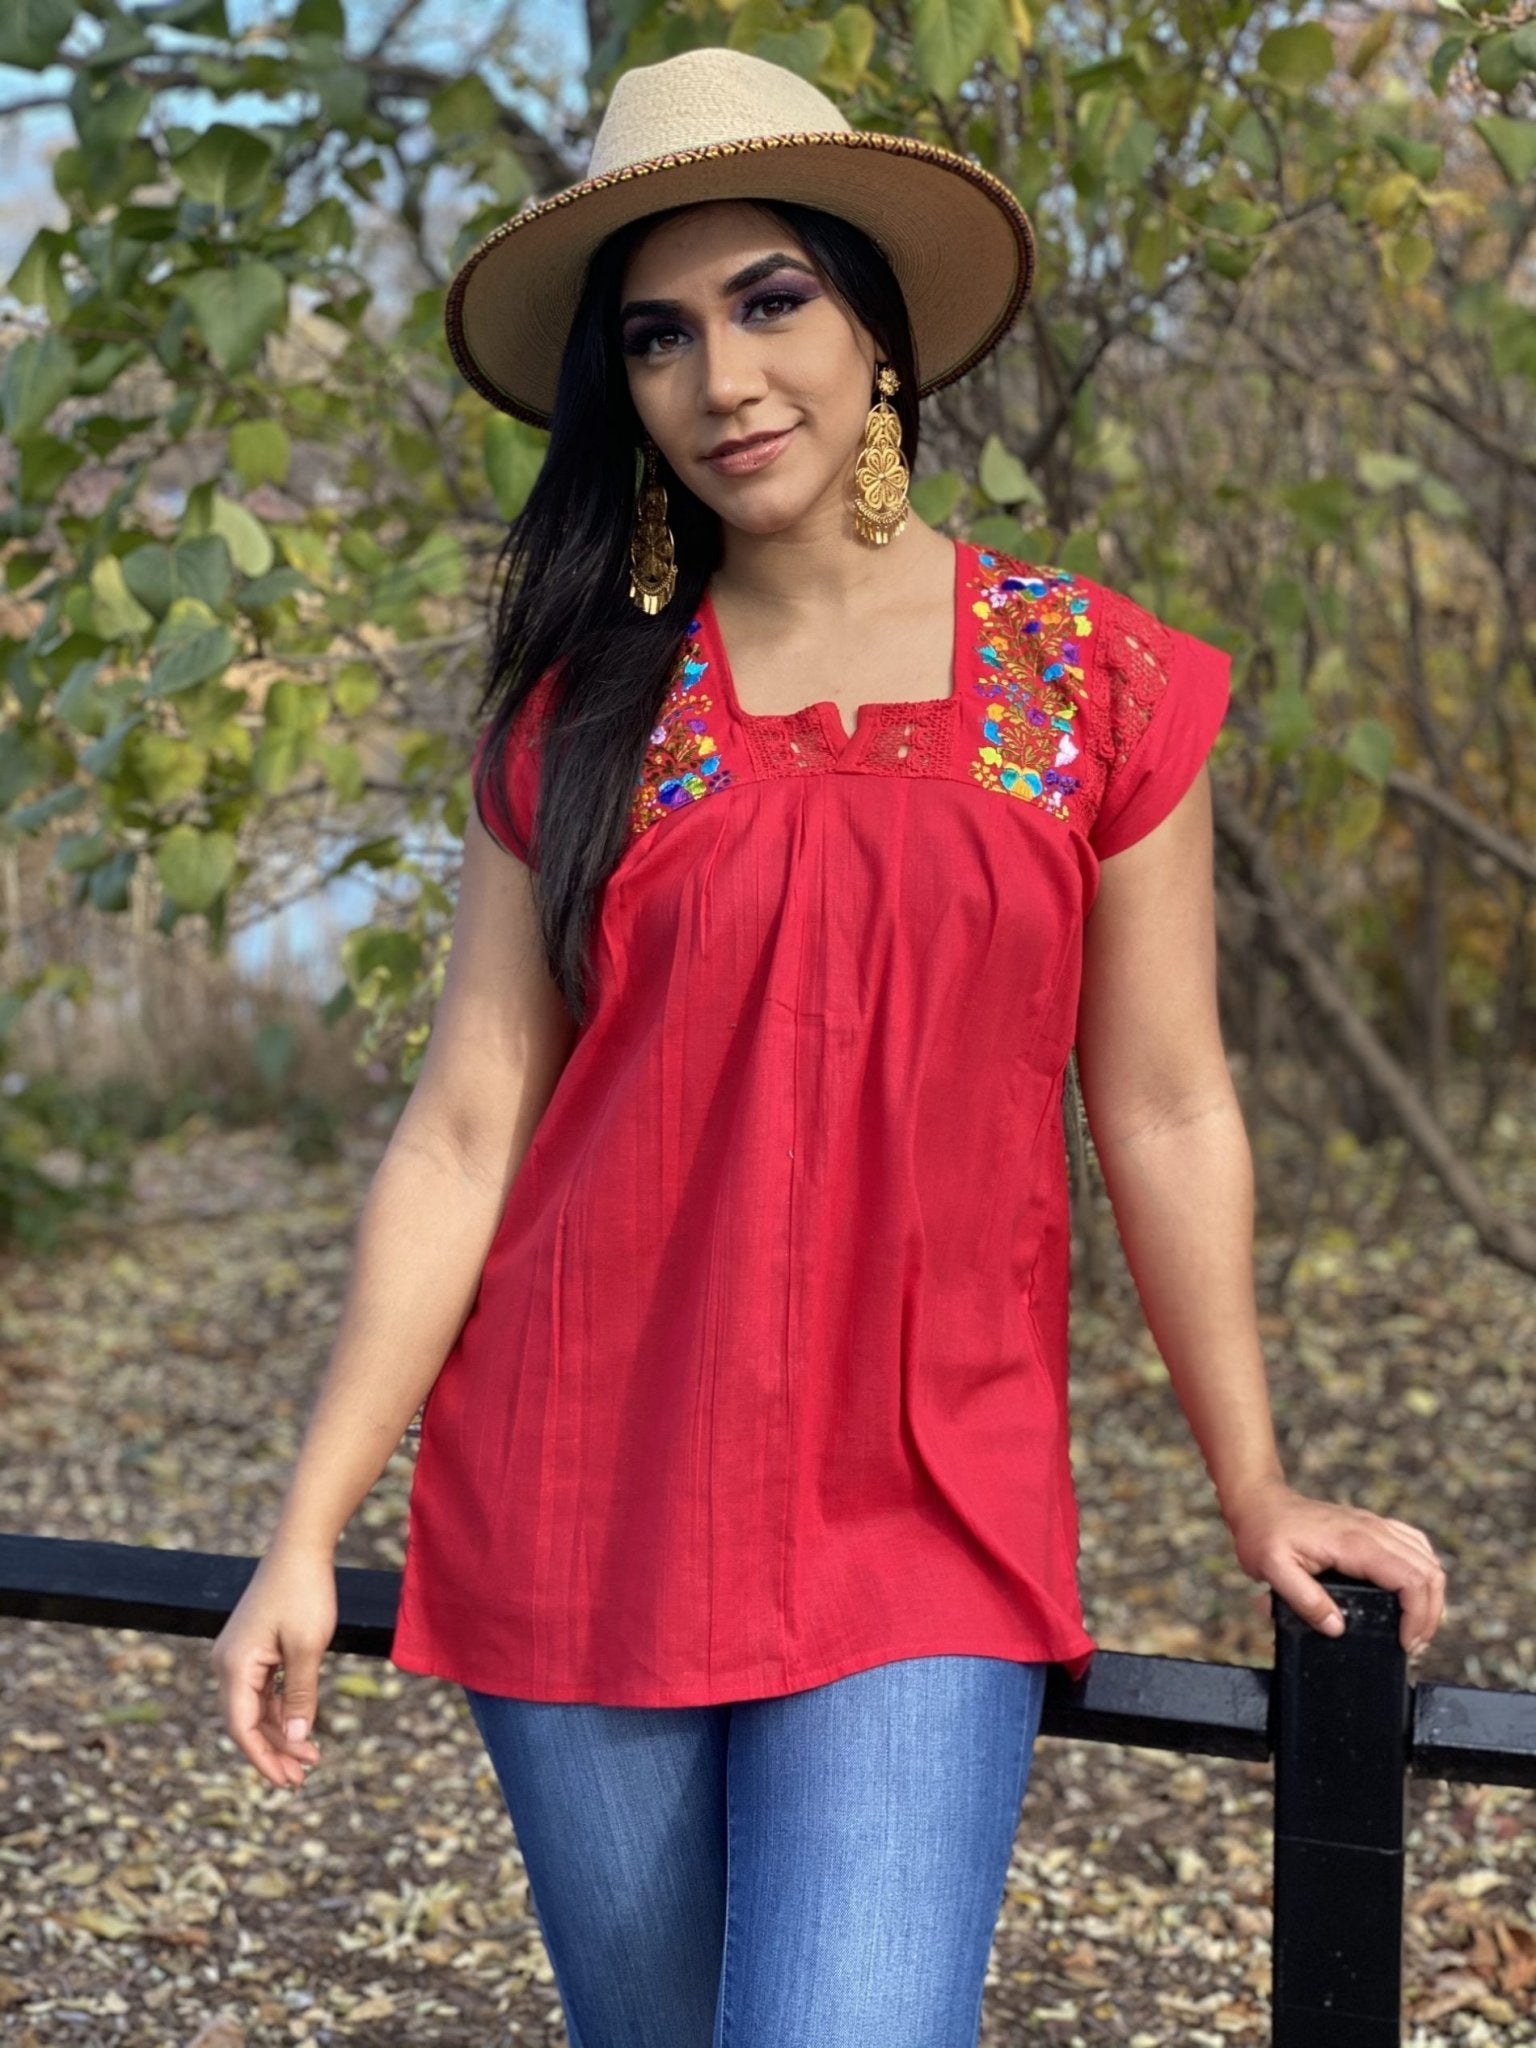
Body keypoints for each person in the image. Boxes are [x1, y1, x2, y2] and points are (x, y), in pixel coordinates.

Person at [211, 45, 1448, 2048]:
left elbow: (1164, 1098)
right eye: (659, 334)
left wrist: (1256, 1484)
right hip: (577, 1495)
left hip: (924, 1513)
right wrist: (307, 1526)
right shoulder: (578, 717)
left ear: (877, 325)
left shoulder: (1089, 677)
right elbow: (463, 1132)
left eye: (772, 297)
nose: (725, 376)